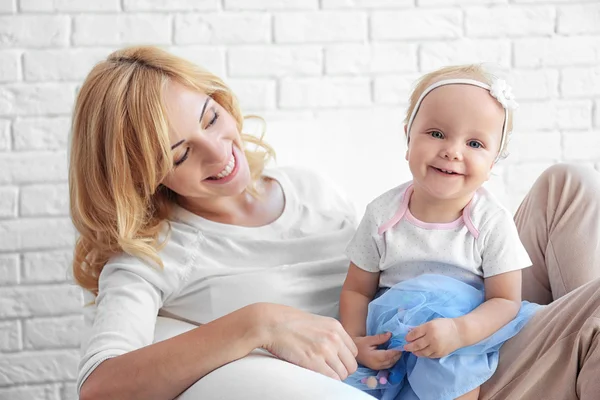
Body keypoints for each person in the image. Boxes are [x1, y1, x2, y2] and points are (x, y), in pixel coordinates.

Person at [69, 45, 600, 400]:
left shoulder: (303, 185)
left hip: (460, 313)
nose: (219, 153)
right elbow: (99, 387)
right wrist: (258, 323)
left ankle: (575, 360)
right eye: (181, 152)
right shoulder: (152, 256)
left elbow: (386, 262)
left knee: (567, 184)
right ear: (141, 173)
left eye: (211, 117)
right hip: (418, 362)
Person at [339, 65, 541, 400]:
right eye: (436, 134)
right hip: (394, 336)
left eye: (475, 142)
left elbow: (505, 300)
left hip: (462, 336)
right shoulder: (382, 215)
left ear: (493, 163)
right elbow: (357, 291)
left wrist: (460, 332)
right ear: (407, 138)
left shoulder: (491, 222)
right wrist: (355, 343)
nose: (452, 150)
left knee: (452, 366)